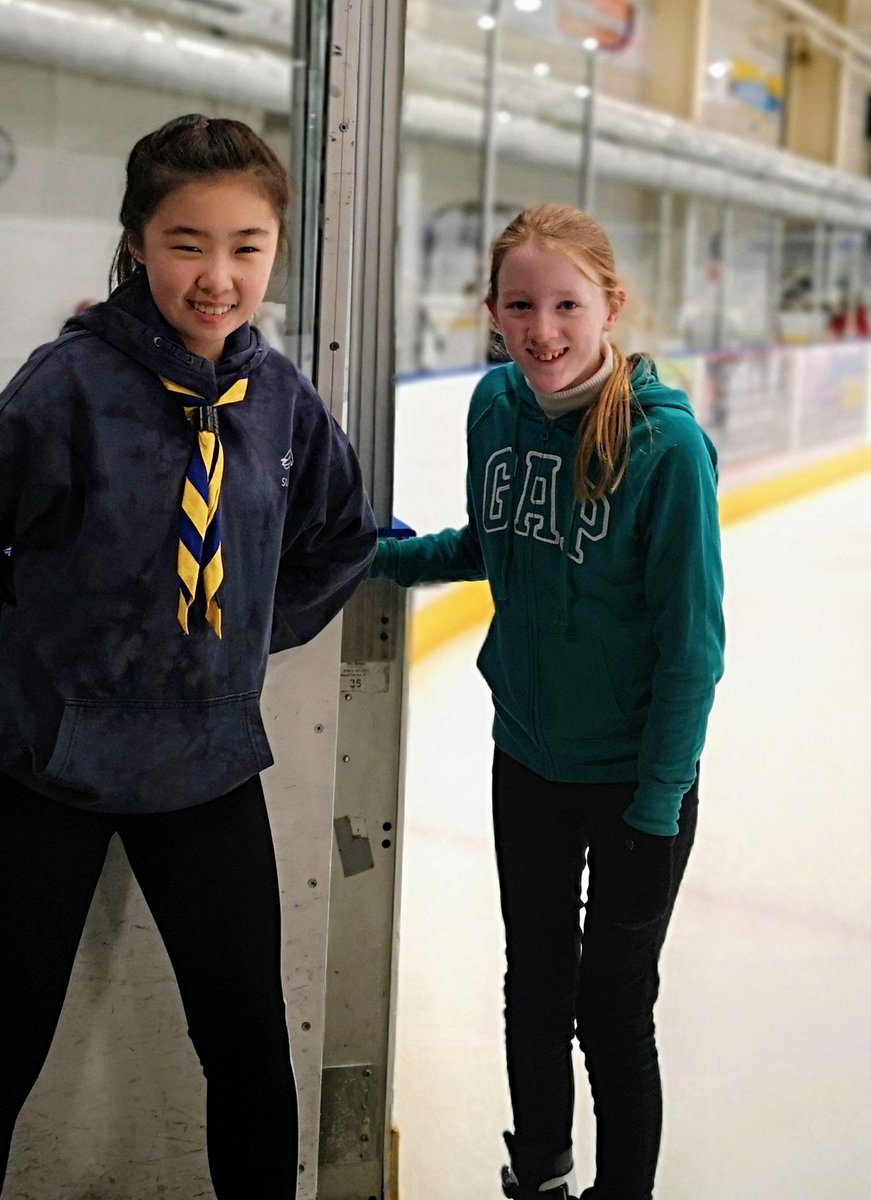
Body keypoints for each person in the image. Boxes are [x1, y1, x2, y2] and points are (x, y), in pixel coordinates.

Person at [0, 114, 377, 1200]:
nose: (216, 276)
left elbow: (340, 537)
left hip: (205, 767)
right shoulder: (66, 383)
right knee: (0, 1053)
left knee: (251, 1049)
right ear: (135, 243)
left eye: (245, 246)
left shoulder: (282, 401)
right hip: (50, 769)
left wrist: (248, 637)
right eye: (185, 242)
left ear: (274, 254)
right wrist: (31, 638)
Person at [370, 204, 724, 1199]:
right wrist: (384, 559)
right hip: (524, 759)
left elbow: (691, 648)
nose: (541, 329)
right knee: (532, 985)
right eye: (519, 306)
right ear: (490, 311)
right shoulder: (495, 405)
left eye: (564, 305)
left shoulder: (663, 450)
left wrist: (652, 809)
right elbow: (495, 547)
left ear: (608, 306)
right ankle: (537, 1172)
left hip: (631, 787)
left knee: (609, 1009)